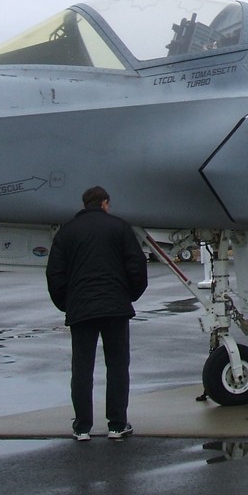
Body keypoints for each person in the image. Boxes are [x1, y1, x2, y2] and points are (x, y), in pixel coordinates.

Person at [46, 186, 148, 441]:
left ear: (85, 204)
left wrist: (66, 303)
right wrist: (129, 295)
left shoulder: (67, 232)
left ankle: (82, 427)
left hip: (81, 308)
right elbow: (137, 265)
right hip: (115, 307)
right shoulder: (120, 227)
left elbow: (55, 273)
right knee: (117, 366)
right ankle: (117, 424)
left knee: (82, 368)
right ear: (104, 203)